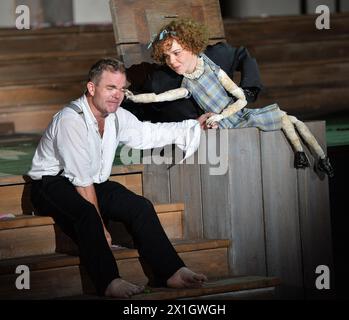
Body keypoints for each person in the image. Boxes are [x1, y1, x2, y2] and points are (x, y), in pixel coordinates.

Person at [28, 58, 207, 299]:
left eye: (122, 89)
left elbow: (147, 134)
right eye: (110, 88)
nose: (117, 95)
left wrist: (190, 126)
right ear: (92, 88)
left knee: (140, 207)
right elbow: (81, 183)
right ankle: (109, 281)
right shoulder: (71, 120)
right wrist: (102, 228)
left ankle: (172, 272)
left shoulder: (116, 116)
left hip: (91, 181)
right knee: (88, 215)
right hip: (51, 183)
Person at [126, 19, 334, 177]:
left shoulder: (216, 57)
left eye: (177, 53)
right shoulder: (160, 80)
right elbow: (143, 109)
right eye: (166, 57)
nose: (172, 61)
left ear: (191, 45)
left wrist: (248, 90)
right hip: (195, 154)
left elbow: (243, 55)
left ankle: (314, 158)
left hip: (234, 133)